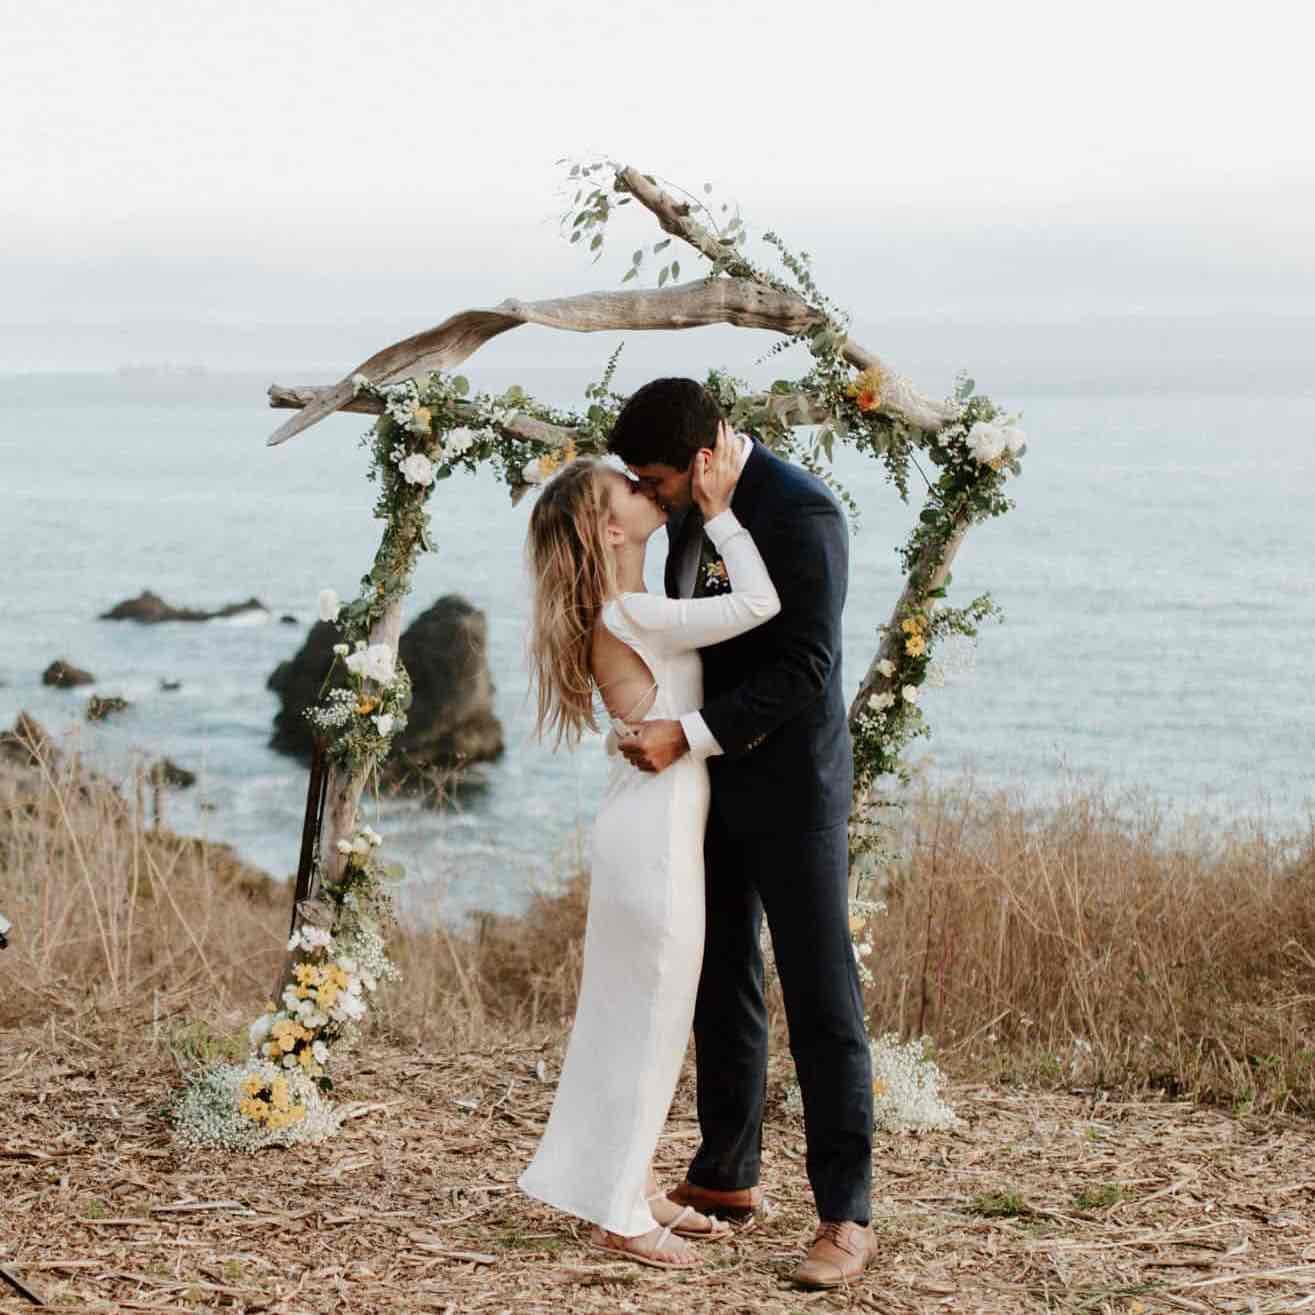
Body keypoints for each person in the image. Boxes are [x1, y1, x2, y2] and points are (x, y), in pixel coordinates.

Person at [608, 378, 876, 1291]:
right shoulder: (687, 507)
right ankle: (727, 1173)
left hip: (793, 786)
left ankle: (845, 1212)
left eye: (652, 478)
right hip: (705, 787)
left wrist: (685, 732)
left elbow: (807, 664)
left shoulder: (802, 513)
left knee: (819, 993)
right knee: (721, 976)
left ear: (697, 459)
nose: (646, 494)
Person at [518, 431, 781, 1269]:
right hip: (655, 838)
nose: (644, 487)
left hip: (649, 823)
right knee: (649, 1021)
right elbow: (758, 604)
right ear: (610, 529)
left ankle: (621, 1184)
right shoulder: (634, 611)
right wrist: (724, 513)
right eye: (627, 486)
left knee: (637, 1021)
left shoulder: (631, 606)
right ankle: (619, 1216)